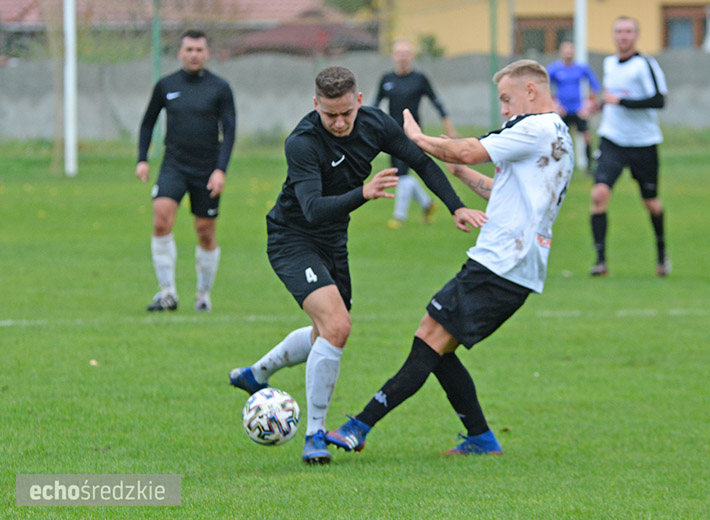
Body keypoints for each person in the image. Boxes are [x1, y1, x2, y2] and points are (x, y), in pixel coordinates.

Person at [228, 66, 487, 464]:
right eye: (329, 114)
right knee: (337, 326)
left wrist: (456, 207)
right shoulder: (302, 142)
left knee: (326, 333)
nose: (339, 122)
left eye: (346, 112)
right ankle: (314, 433)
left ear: (360, 101)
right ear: (316, 105)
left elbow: (420, 160)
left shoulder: (374, 124)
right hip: (292, 239)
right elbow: (312, 210)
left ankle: (256, 374)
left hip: (334, 241)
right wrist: (363, 193)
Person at [325, 59, 574, 456]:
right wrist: (458, 173)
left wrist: (419, 141)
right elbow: (502, 192)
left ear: (531, 91)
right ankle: (480, 438)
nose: (505, 109)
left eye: (507, 99)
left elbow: (469, 148)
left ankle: (359, 426)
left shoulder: (534, 127)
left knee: (429, 338)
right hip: (511, 264)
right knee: (437, 345)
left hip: (501, 264)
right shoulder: (557, 135)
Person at [136, 30, 236, 312]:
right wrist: (142, 159)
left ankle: (203, 295)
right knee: (160, 220)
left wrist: (220, 170)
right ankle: (167, 292)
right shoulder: (166, 84)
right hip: (174, 165)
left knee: (205, 231)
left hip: (207, 168)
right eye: (189, 49)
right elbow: (148, 123)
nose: (194, 54)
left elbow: (229, 132)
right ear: (180, 53)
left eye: (199, 50)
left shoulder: (220, 88)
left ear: (207, 54)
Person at [589, 16, 670, 277]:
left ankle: (661, 254)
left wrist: (620, 102)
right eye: (619, 31)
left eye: (628, 32)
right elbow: (610, 96)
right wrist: (598, 105)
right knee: (599, 195)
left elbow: (659, 100)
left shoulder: (645, 64)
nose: (623, 36)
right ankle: (600, 261)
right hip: (612, 139)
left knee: (651, 203)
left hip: (643, 143)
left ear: (636, 36)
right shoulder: (609, 63)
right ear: (614, 35)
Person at [374, 38, 457, 229]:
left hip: (413, 134)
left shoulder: (419, 79)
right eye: (399, 53)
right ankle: (427, 204)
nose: (402, 57)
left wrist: (449, 126)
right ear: (393, 56)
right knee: (400, 174)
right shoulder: (387, 79)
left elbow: (437, 102)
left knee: (402, 173)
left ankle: (399, 217)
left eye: (406, 53)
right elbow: (376, 103)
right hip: (390, 134)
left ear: (411, 56)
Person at [546, 40, 601, 173]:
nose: (568, 54)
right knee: (559, 139)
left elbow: (595, 86)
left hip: (578, 109)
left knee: (586, 136)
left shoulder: (581, 68)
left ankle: (589, 167)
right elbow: (544, 87)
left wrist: (588, 105)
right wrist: (555, 105)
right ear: (561, 52)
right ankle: (559, 167)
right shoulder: (554, 68)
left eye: (571, 51)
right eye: (566, 51)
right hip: (562, 111)